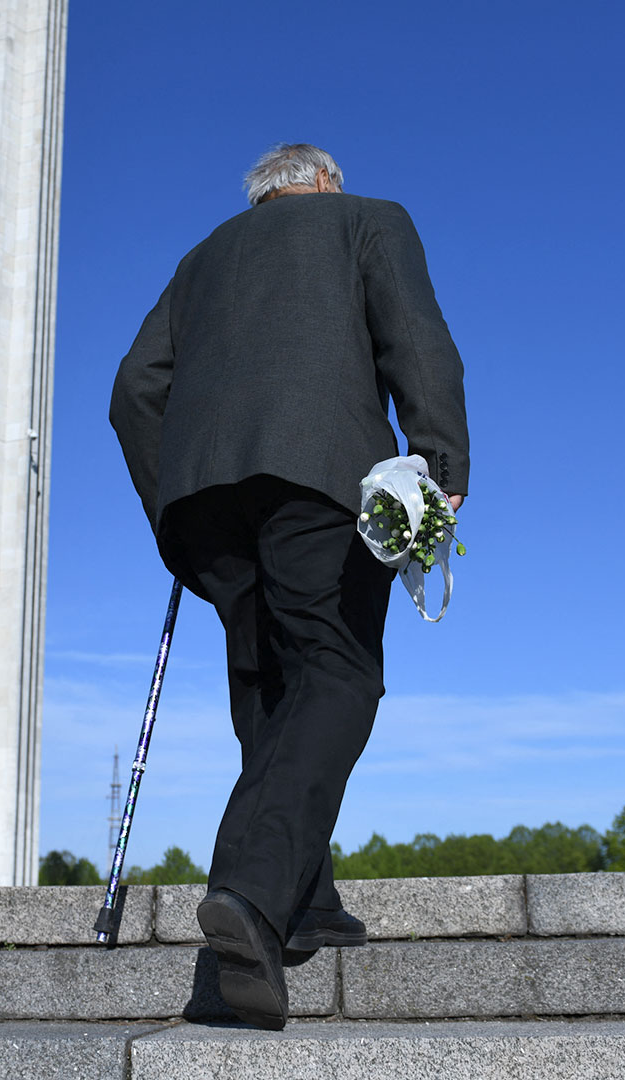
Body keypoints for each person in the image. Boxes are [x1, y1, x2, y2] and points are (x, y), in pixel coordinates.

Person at [110, 144, 468, 1029]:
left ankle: (306, 898)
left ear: (265, 193)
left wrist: (175, 492)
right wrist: (441, 464)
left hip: (203, 496)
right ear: (326, 182)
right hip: (321, 474)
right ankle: (253, 896)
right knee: (337, 671)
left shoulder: (201, 260)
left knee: (270, 687)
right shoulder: (368, 220)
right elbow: (414, 339)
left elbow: (132, 392)